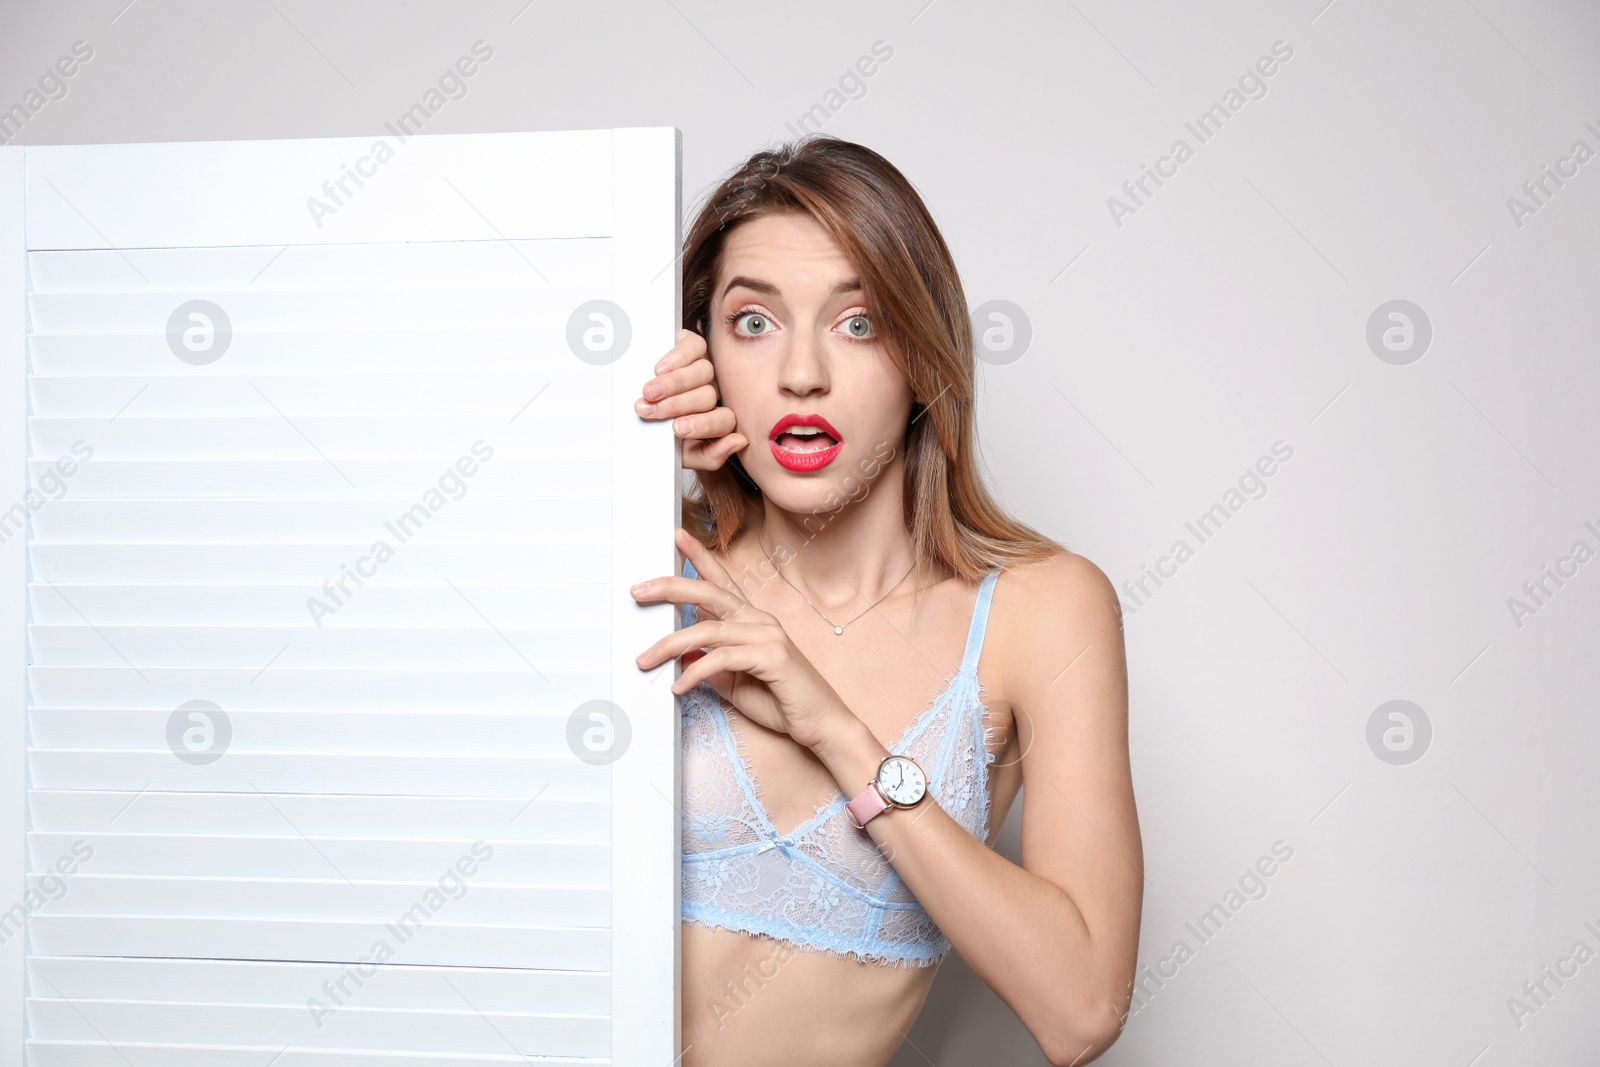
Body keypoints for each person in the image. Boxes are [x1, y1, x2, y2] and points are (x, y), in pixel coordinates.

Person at [628, 135, 1141, 1067]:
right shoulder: (646, 570)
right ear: (701, 354)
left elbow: (1082, 1010)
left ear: (921, 356)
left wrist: (833, 728)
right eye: (754, 323)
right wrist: (611, 451)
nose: (801, 373)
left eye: (857, 322)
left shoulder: (1041, 611)